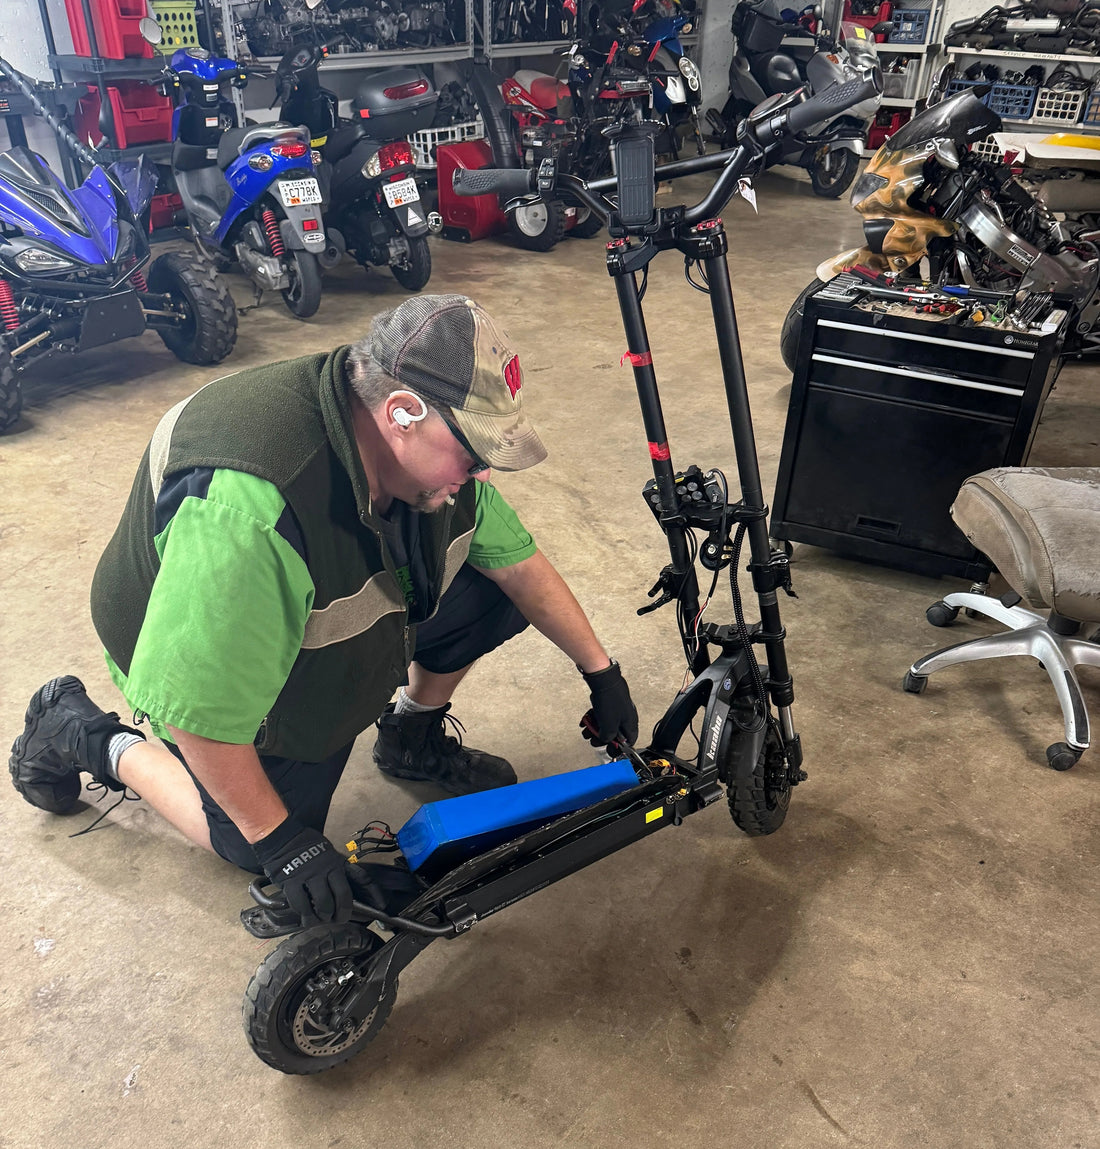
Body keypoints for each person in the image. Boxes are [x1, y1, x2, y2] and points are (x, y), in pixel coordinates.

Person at [9, 294, 637, 927]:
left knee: (491, 596)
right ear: (402, 415)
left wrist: (600, 672)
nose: (480, 474)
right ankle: (81, 732)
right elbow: (200, 710)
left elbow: (518, 568)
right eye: (472, 453)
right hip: (183, 639)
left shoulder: (422, 465)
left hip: (279, 616)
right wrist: (281, 843)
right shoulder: (252, 509)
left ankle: (411, 738)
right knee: (248, 840)